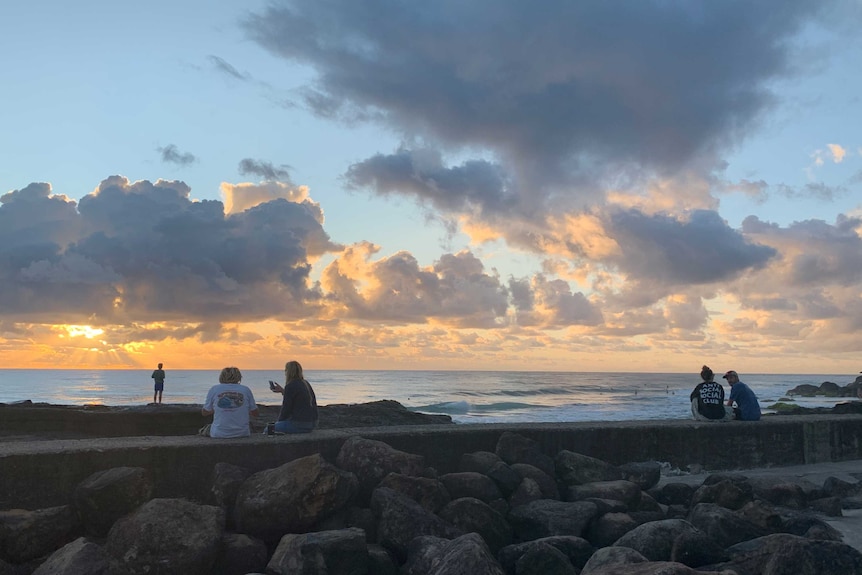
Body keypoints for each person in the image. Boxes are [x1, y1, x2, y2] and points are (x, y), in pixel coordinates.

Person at [201, 367, 259, 438]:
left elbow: (204, 412)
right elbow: (255, 413)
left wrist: (216, 408)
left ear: (221, 377)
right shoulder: (245, 390)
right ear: (239, 377)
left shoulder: (214, 389)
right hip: (242, 433)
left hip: (219, 433)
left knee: (205, 429)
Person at [268, 360, 318, 433]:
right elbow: (299, 399)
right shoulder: (306, 383)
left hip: (300, 424)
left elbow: (285, 409)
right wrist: (283, 391)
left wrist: (278, 422)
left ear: (288, 372)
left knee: (268, 429)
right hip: (312, 423)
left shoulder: (290, 386)